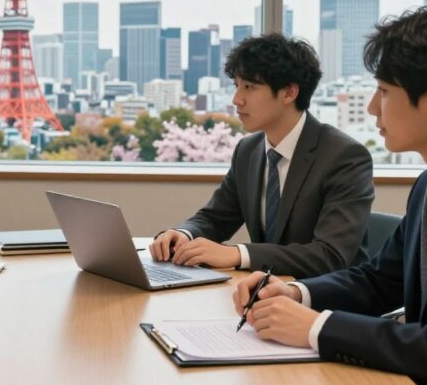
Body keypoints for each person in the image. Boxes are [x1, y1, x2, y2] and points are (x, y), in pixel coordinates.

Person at [233, 6, 427, 383]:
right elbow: (379, 281)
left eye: (383, 91)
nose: (371, 108)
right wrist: (295, 292)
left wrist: (317, 328)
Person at [149, 33, 374, 278]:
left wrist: (238, 254)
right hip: (263, 293)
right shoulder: (248, 150)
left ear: (289, 93)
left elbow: (330, 256)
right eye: (236, 86)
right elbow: (215, 218)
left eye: (249, 87)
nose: (237, 100)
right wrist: (184, 234)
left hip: (326, 302)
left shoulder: (344, 157)